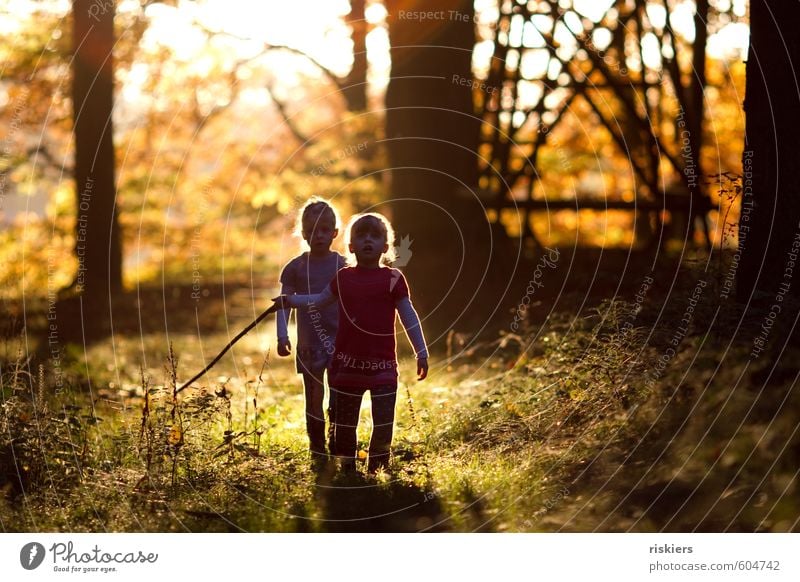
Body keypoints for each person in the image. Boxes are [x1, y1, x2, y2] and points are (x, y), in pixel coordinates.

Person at [273, 212, 428, 474]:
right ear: (351, 246)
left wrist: (421, 351)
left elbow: (408, 315)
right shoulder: (343, 278)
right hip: (346, 368)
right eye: (361, 235)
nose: (368, 240)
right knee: (345, 425)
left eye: (375, 235)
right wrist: (289, 301)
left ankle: (377, 467)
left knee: (383, 423)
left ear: (386, 247)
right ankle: (346, 469)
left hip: (383, 367)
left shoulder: (393, 280)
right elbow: (319, 300)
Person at [276, 198, 346, 459]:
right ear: (303, 234)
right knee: (314, 396)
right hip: (310, 344)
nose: (319, 235)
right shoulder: (295, 268)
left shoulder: (343, 265)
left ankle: (338, 440)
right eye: (312, 230)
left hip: (340, 343)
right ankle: (317, 448)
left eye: (325, 229)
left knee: (339, 395)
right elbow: (283, 304)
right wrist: (282, 335)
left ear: (335, 232)